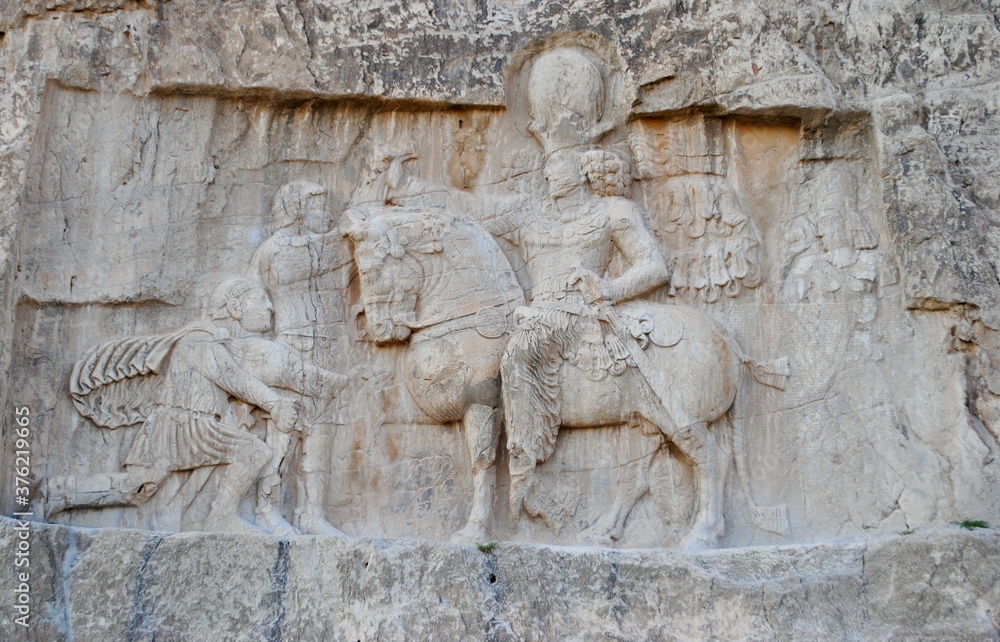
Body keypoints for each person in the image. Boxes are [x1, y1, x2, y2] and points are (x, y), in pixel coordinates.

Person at [385, 147, 670, 513]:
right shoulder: (529, 214)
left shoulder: (613, 212)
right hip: (536, 313)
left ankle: (524, 471)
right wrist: (408, 187)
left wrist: (612, 289)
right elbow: (470, 211)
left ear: (582, 172)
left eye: (556, 166)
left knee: (518, 354)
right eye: (546, 168)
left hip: (579, 312)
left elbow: (654, 266)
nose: (548, 174)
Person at [50, 276, 345, 533]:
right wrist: (275, 404)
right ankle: (221, 518)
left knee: (136, 488)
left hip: (177, 427)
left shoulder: (215, 341)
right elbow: (234, 379)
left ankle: (60, 492)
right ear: (236, 307)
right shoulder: (200, 340)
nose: (269, 308)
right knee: (252, 451)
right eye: (261, 300)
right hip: (187, 425)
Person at [251, 181, 353, 535]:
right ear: (296, 211)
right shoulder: (277, 251)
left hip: (329, 347)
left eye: (326, 207)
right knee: (285, 430)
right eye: (315, 208)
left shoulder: (326, 247)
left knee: (323, 433)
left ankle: (313, 512)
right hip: (292, 347)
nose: (325, 214)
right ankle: (268, 508)